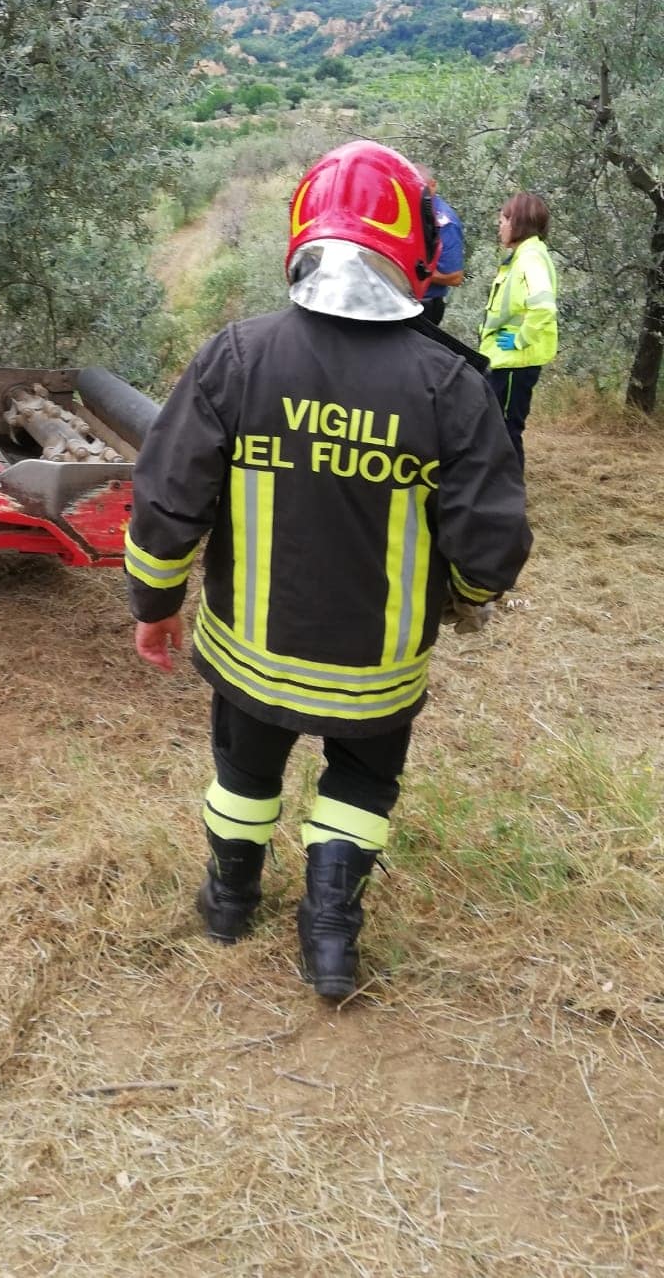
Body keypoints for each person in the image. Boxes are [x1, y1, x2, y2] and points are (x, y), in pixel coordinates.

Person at [125, 141, 531, 1001]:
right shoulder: (450, 385)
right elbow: (490, 543)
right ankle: (331, 936)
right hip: (377, 667)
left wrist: (152, 603)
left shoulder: (237, 357)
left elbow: (167, 503)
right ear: (411, 250)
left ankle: (229, 902)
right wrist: (465, 599)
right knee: (362, 778)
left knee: (243, 773)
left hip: (249, 655)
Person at [478, 192, 558, 471]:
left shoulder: (530, 259)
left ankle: (509, 498)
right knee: (498, 428)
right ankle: (500, 491)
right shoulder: (524, 256)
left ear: (518, 223)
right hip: (505, 360)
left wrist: (522, 339)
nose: (499, 226)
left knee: (507, 430)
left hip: (516, 361)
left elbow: (544, 307)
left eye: (503, 220)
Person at [414, 164, 465, 326]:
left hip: (426, 305)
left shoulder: (444, 223)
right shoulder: (410, 212)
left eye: (420, 187)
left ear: (433, 185)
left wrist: (419, 272)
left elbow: (456, 277)